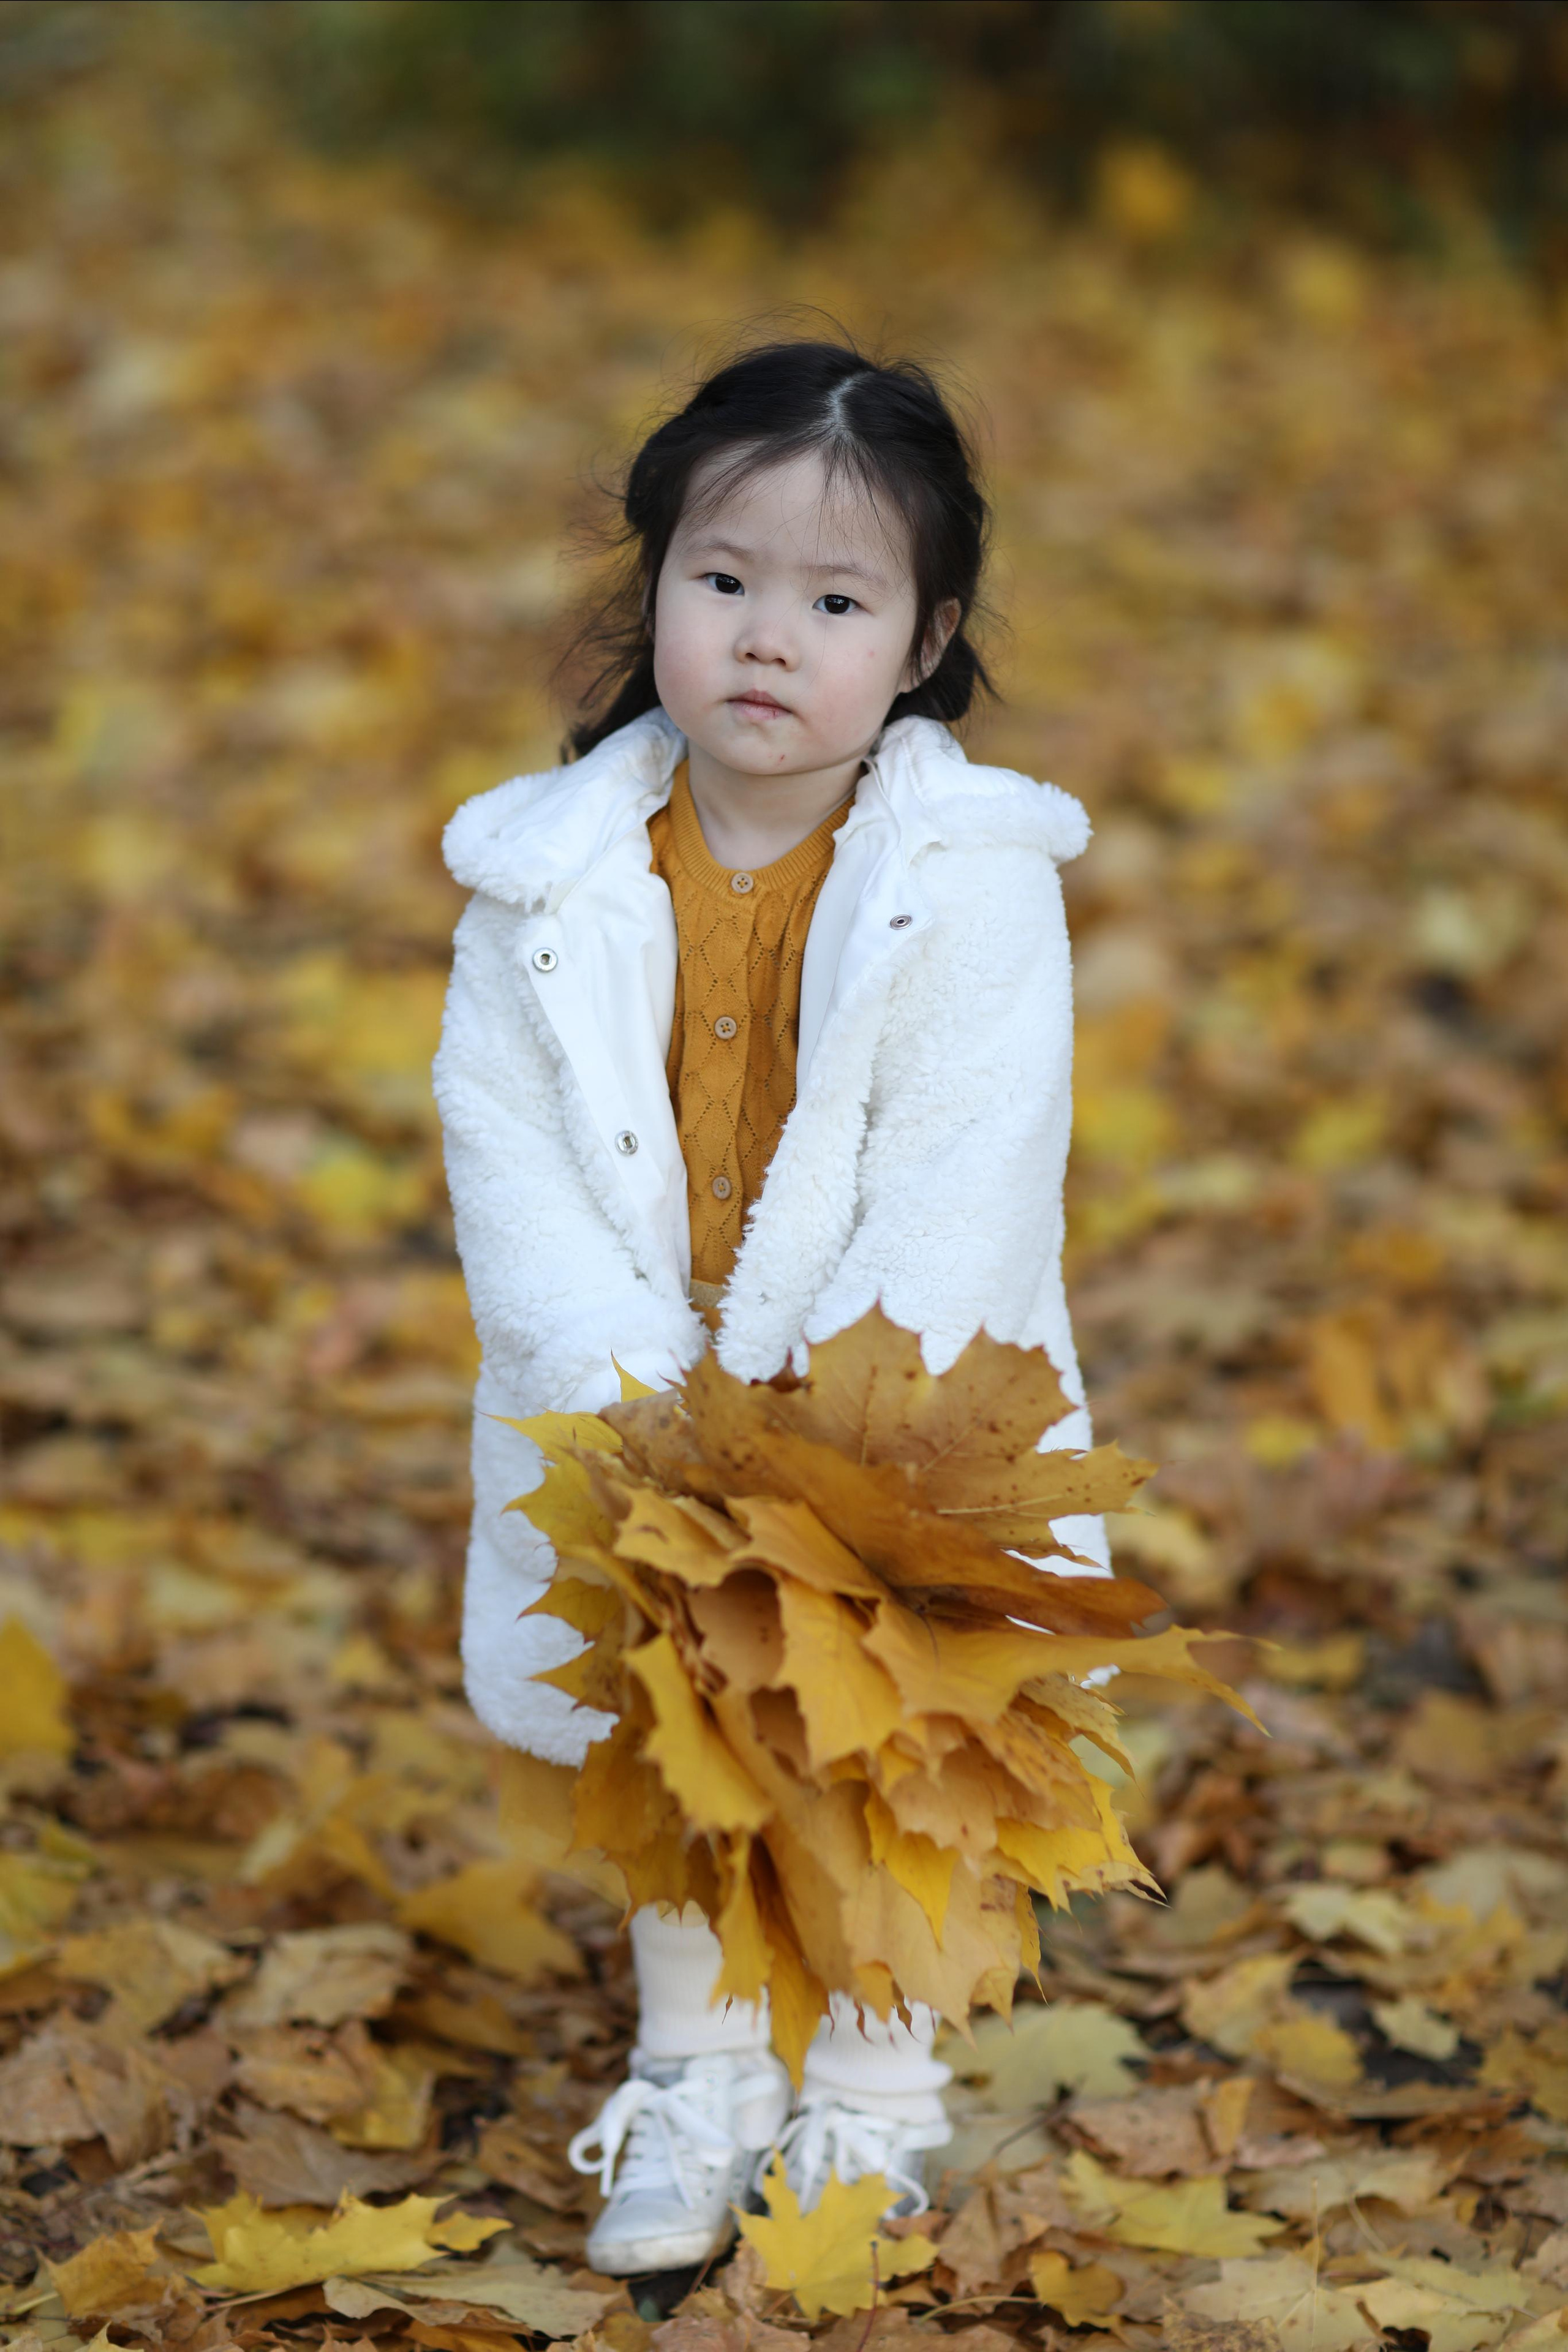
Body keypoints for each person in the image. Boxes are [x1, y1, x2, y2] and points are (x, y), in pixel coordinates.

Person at [432, 334, 1112, 2277]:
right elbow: (504, 1139)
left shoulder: (971, 880)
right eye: (721, 579)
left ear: (923, 639)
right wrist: (630, 1388)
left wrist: (825, 1429)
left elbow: (972, 1164)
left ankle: (872, 2098)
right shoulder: (547, 876)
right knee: (669, 1724)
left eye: (834, 602)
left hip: (891, 1416)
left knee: (876, 1744)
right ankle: (700, 2070)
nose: (764, 638)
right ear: (653, 581)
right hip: (630, 1399)